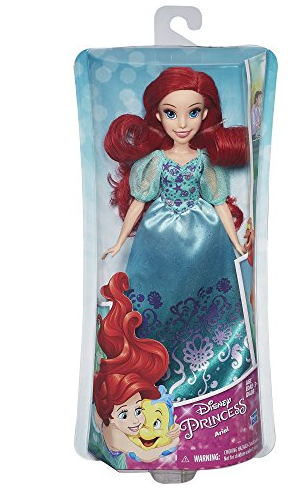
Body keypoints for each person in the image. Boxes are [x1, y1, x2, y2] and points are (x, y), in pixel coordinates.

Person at [102, 67, 252, 402]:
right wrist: (119, 241)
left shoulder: (204, 160)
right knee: (155, 302)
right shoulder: (156, 161)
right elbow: (140, 201)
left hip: (204, 237)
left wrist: (237, 244)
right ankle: (154, 371)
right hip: (159, 238)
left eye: (193, 112)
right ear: (158, 115)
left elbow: (218, 202)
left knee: (208, 303)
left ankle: (213, 376)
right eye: (171, 113)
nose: (182, 123)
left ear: (205, 115)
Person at [92, 272, 180, 463]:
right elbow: (148, 455)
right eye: (124, 414)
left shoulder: (108, 414)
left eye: (138, 411)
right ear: (111, 416)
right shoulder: (116, 434)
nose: (136, 420)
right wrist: (174, 440)